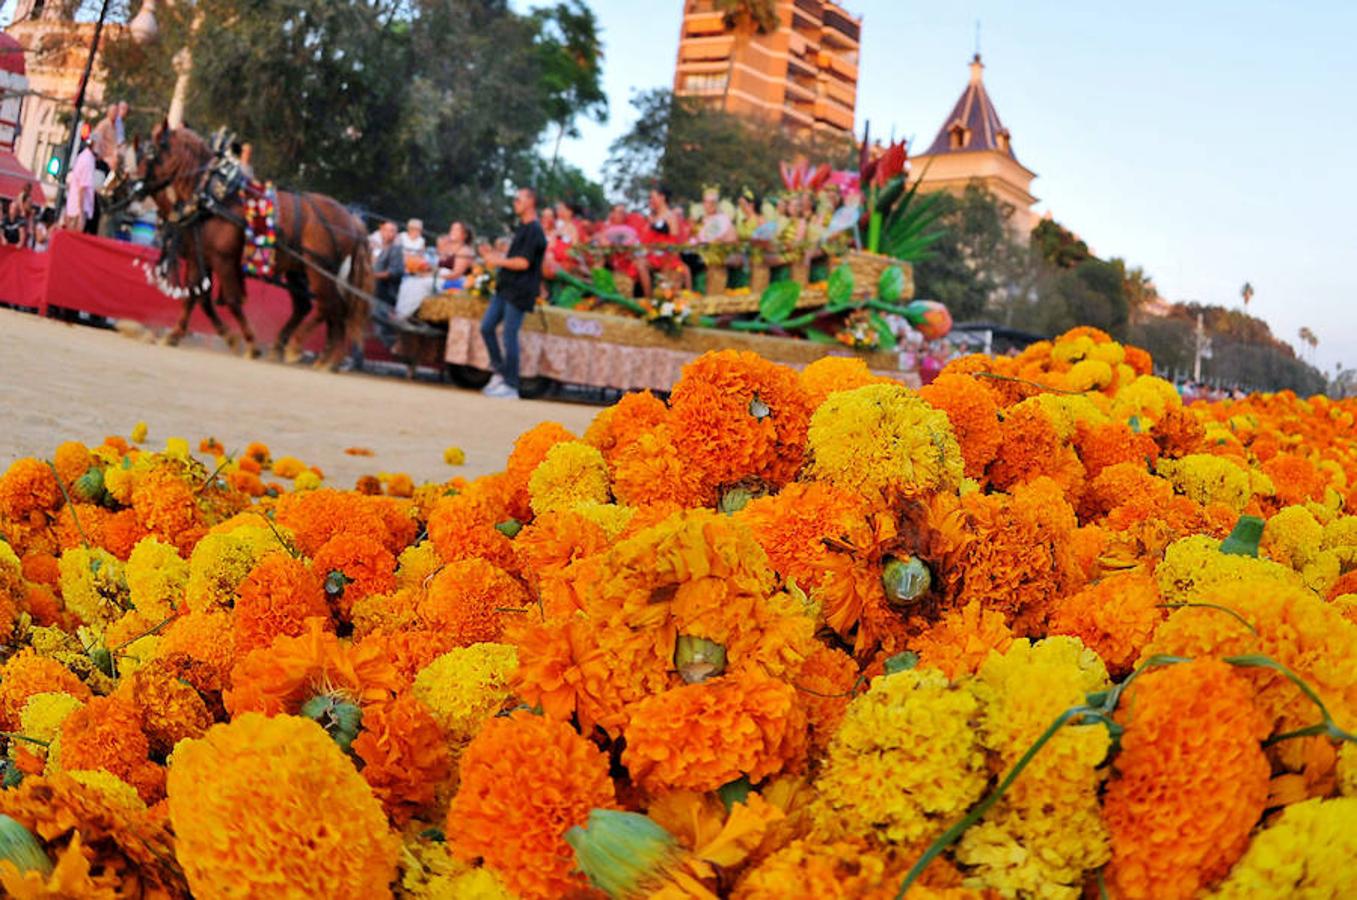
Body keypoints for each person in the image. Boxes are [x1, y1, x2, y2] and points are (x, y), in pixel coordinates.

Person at [477, 186, 547, 400]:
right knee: (487, 327)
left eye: (519, 199)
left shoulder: (535, 230)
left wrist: (497, 260)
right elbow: (512, 257)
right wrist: (492, 254)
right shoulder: (522, 228)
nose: (515, 202)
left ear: (530, 202)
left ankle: (511, 384)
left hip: (520, 290)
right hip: (505, 287)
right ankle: (499, 371)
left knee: (509, 336)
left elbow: (523, 262)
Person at [62, 142, 97, 233]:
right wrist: (81, 212)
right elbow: (82, 188)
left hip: (74, 207)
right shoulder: (88, 160)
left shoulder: (82, 157)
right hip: (79, 209)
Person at [437, 221, 476, 289]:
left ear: (465, 235)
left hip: (455, 283)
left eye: (457, 230)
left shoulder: (465, 251)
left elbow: (456, 274)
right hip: (441, 280)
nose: (453, 232)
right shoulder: (447, 247)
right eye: (452, 229)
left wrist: (435, 276)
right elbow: (439, 265)